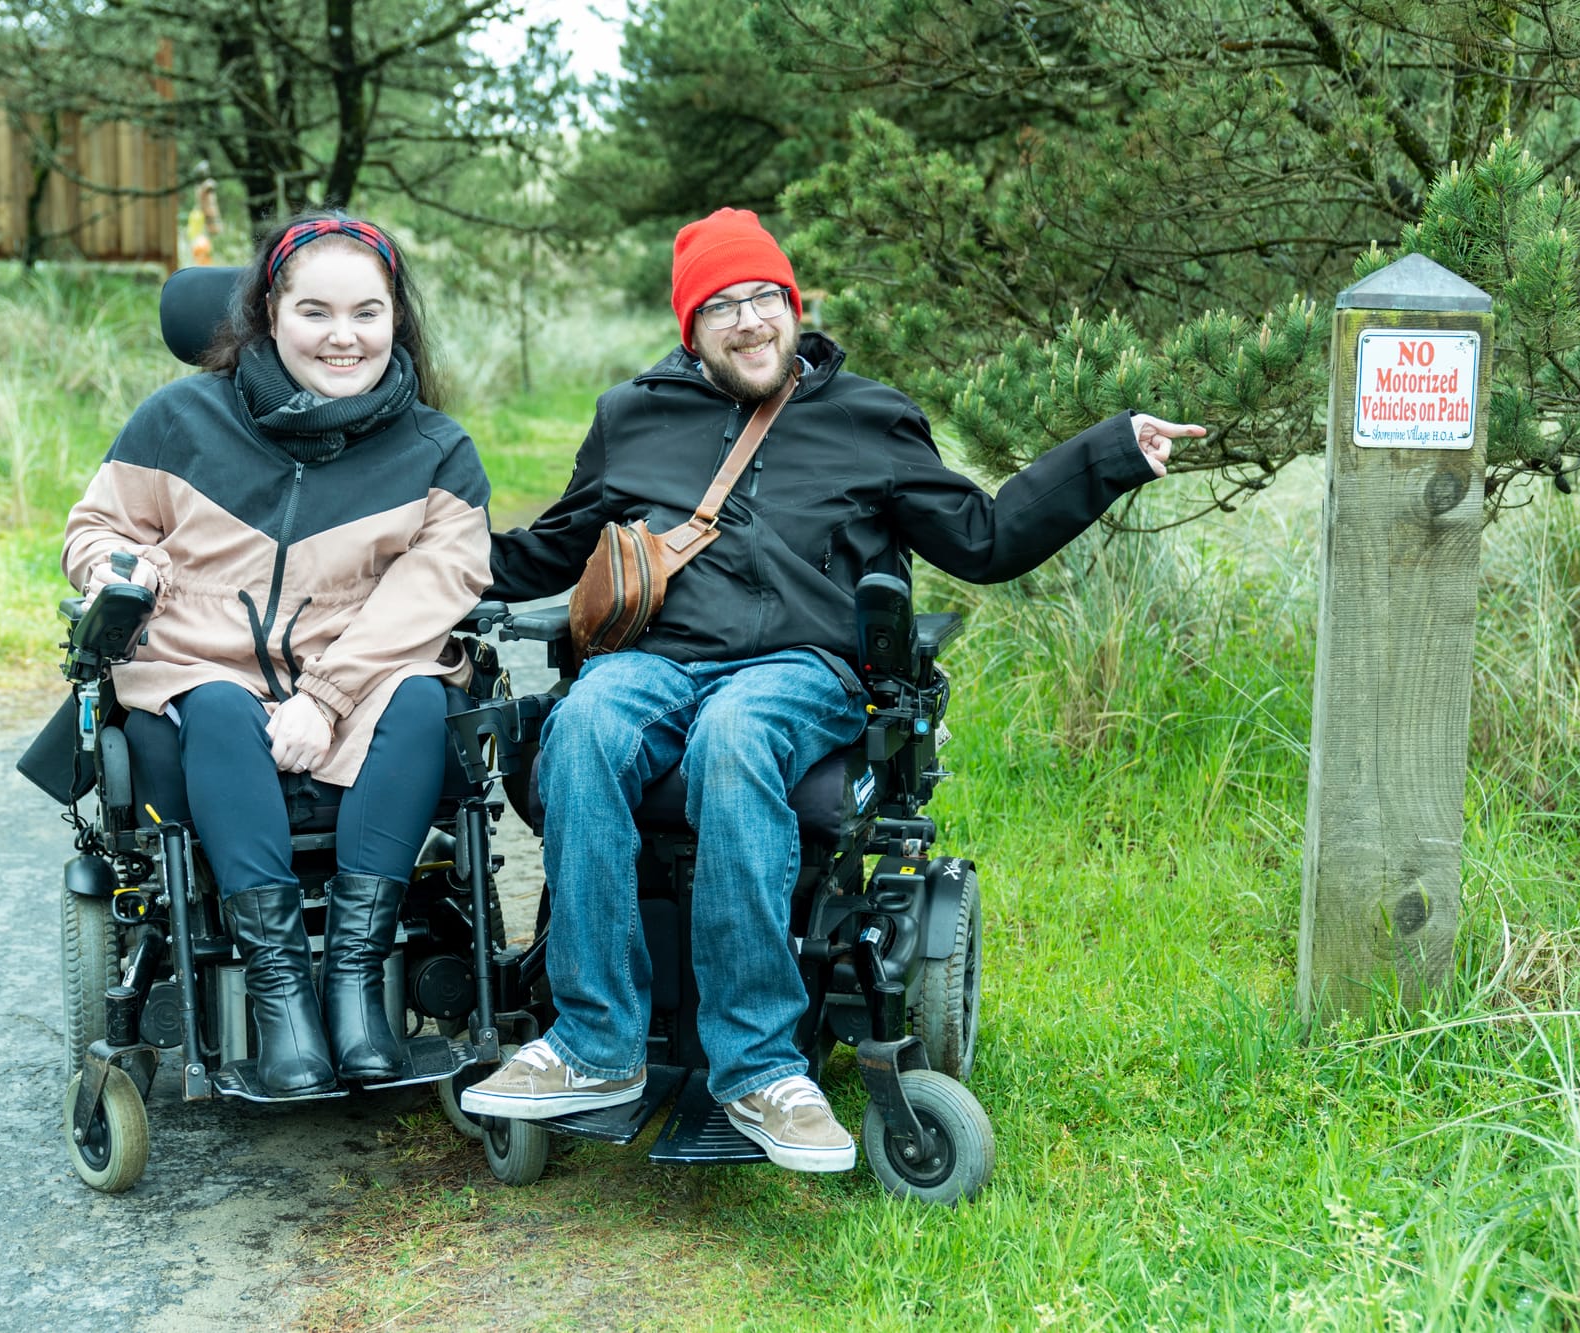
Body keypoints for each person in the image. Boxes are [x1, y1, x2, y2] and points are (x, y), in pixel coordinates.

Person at [463, 207, 1203, 1170]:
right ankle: (593, 1044)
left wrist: (1107, 455)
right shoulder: (631, 417)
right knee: (583, 720)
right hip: (653, 660)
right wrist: (420, 551)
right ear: (691, 329)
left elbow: (982, 540)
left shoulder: (869, 418)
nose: (748, 320)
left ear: (791, 306)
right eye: (720, 306)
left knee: (735, 733)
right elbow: (551, 549)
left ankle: (760, 1066)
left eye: (763, 297)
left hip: (796, 668)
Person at [62, 210, 492, 1096]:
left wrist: (326, 696)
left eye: (367, 313)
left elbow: (438, 584)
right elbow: (96, 527)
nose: (344, 337)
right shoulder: (177, 419)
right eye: (317, 312)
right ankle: (279, 989)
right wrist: (119, 562)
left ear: (396, 320)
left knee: (421, 697)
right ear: (270, 311)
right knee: (214, 707)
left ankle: (355, 988)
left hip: (362, 677)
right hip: (202, 670)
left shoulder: (436, 450)